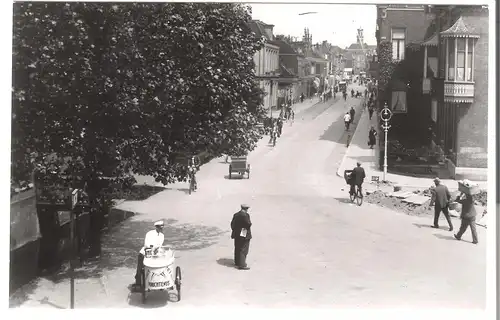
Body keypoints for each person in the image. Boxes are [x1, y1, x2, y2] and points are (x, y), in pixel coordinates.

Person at [134, 220, 165, 288]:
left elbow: (160, 245)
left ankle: (155, 281)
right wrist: (153, 248)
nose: (161, 229)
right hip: (145, 252)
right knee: (140, 267)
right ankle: (138, 283)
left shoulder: (162, 236)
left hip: (155, 254)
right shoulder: (149, 234)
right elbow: (146, 244)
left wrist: (158, 249)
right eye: (160, 228)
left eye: (162, 228)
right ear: (156, 227)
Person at [231, 204, 252, 270]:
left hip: (237, 233)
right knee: (244, 248)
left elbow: (232, 224)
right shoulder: (246, 215)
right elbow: (248, 224)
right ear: (246, 209)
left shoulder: (236, 214)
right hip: (244, 232)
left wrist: (236, 230)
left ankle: (237, 262)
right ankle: (242, 264)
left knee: (237, 247)